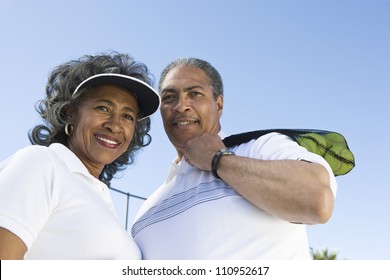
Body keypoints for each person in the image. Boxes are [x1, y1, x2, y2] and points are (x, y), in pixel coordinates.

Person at [131, 58, 337, 259]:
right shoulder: (145, 211)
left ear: (218, 105)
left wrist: (217, 159)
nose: (180, 106)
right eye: (169, 97)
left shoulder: (259, 148)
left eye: (194, 93)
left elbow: (317, 200)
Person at [0, 52, 160, 259]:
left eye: (127, 116)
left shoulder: (99, 198)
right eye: (103, 107)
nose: (115, 125)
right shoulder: (41, 163)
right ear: (70, 113)